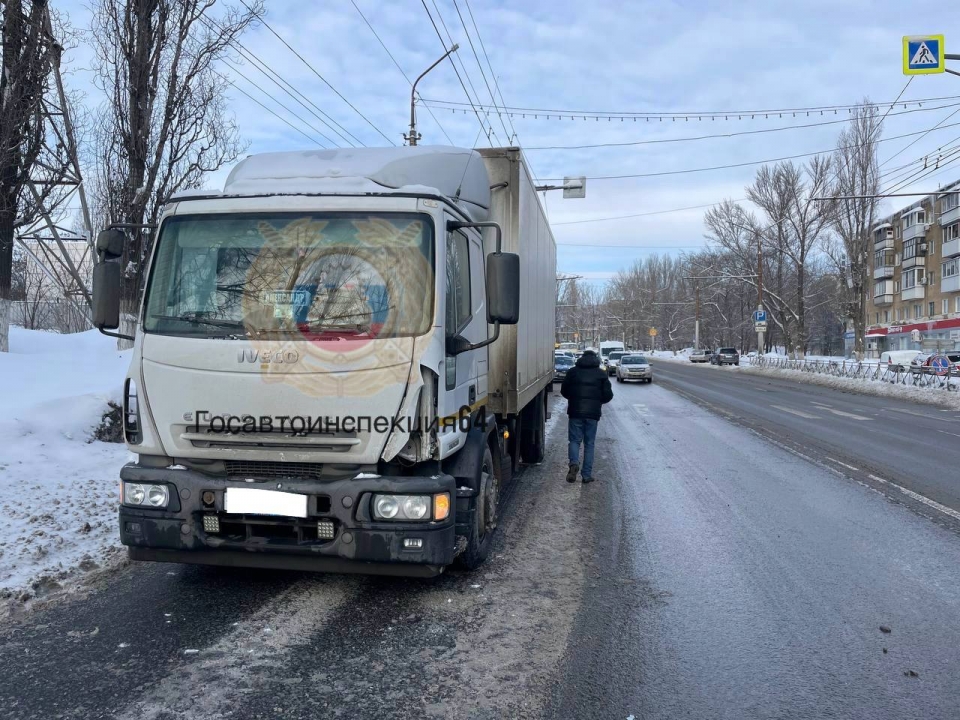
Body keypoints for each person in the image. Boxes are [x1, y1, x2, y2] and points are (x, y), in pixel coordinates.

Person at [559, 347, 613, 484]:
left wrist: (573, 398)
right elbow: (608, 395)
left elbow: (564, 390)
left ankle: (574, 463)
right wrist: (598, 401)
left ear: (581, 359)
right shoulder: (601, 374)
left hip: (575, 412)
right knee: (589, 444)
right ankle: (586, 475)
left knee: (574, 441)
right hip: (593, 414)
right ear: (596, 360)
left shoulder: (573, 372)